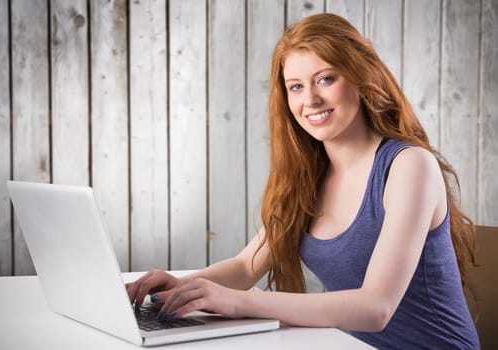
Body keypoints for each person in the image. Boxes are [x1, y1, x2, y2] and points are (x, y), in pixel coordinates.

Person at [126, 13, 479, 349]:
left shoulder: (409, 166)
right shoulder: (308, 175)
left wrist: (239, 303)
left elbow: (375, 308)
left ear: (360, 74)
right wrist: (180, 287)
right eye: (296, 86)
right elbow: (247, 266)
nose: (310, 100)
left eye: (326, 79)